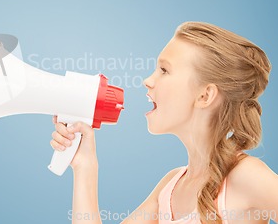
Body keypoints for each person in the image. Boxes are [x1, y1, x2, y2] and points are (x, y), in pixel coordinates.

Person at [51, 22, 278, 224]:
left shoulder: (246, 176)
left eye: (164, 70)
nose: (148, 80)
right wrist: (85, 166)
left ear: (205, 96)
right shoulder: (170, 188)